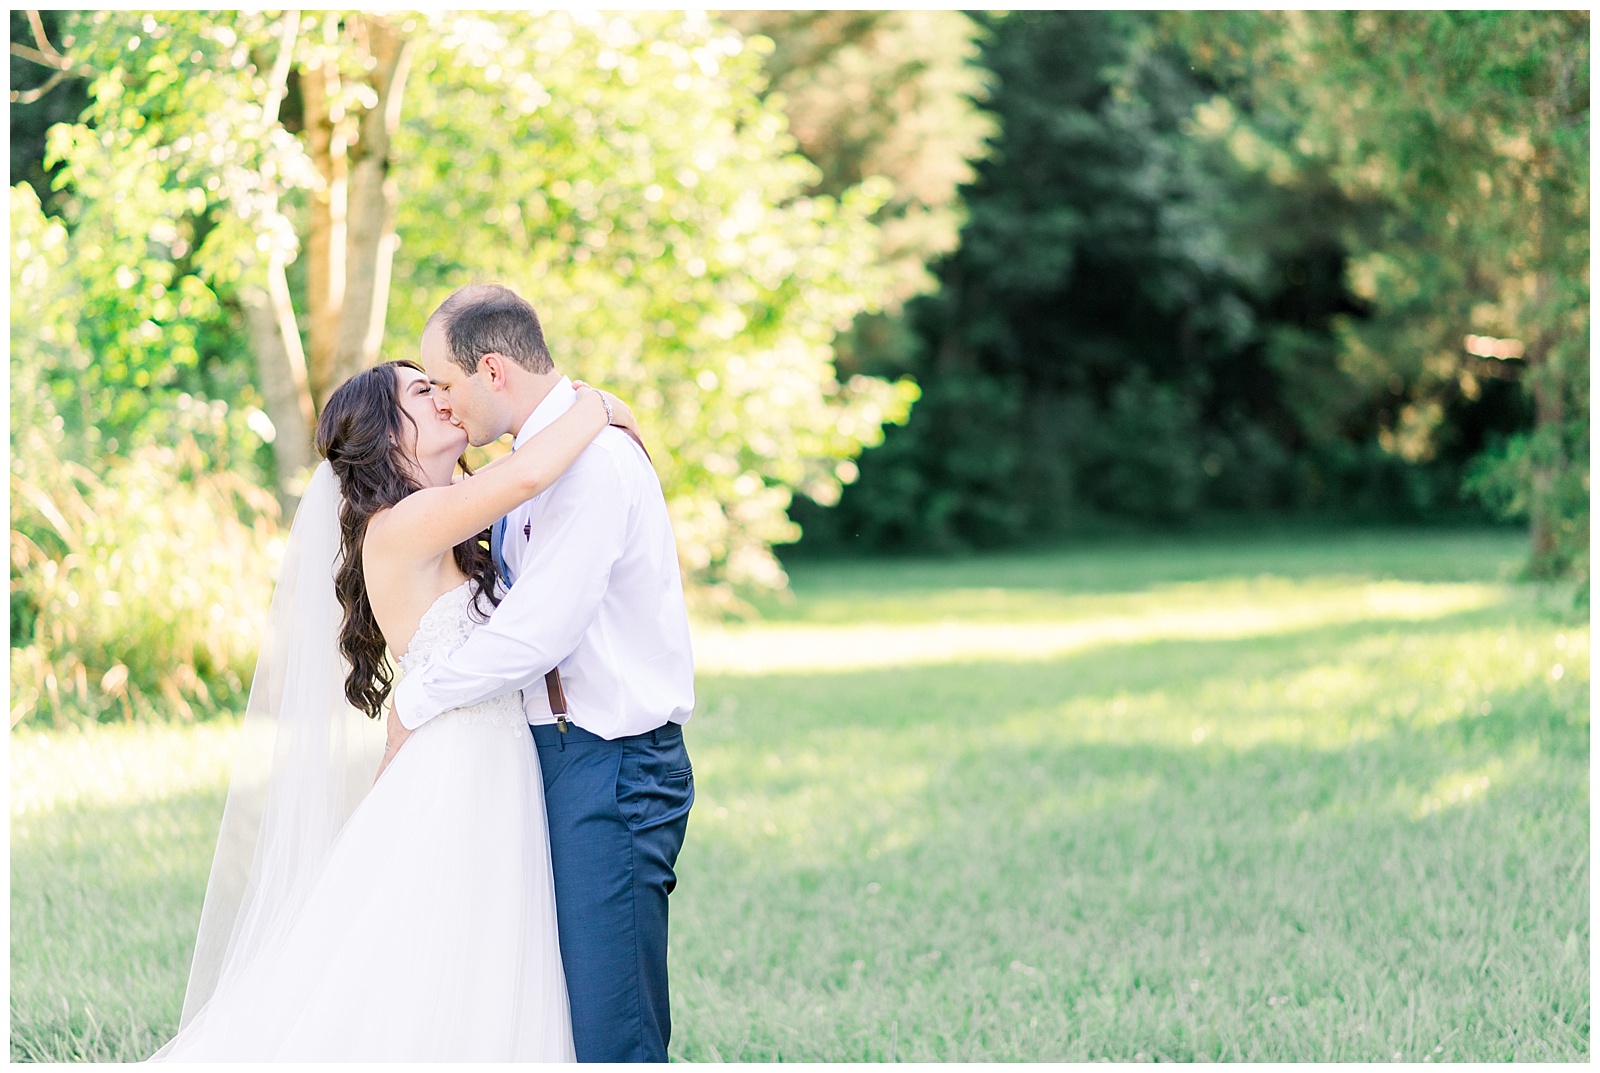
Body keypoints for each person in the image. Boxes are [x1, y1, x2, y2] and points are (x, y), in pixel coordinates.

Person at [152, 359, 632, 1061]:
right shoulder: (402, 522)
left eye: (439, 386)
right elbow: (527, 475)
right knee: (436, 958)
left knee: (474, 954)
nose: (443, 397)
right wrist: (595, 406)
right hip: (459, 767)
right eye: (422, 391)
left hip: (490, 759)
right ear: (385, 431)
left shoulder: (444, 514)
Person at [391, 283, 696, 1063]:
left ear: (492, 370)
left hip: (612, 766)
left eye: (447, 385)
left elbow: (536, 634)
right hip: (553, 759)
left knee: (610, 1031)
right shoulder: (532, 463)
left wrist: (418, 693)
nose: (446, 406)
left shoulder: (591, 464)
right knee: (547, 1017)